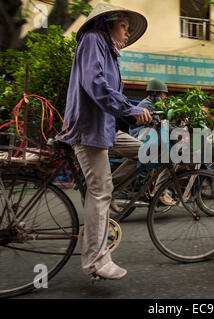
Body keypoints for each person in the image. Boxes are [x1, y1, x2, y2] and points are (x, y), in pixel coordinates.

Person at [55, 3, 151, 280]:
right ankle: (96, 261)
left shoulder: (110, 53)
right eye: (124, 26)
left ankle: (111, 199)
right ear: (107, 23)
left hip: (105, 129)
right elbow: (96, 85)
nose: (127, 32)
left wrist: (136, 111)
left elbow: (112, 94)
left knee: (148, 151)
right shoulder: (93, 40)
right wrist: (131, 110)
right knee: (99, 190)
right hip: (88, 129)